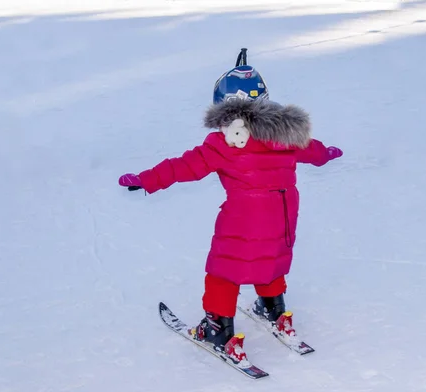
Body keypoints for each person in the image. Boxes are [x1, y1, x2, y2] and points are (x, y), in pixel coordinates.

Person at [119, 48, 343, 364]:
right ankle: (274, 310)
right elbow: (314, 150)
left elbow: (185, 166)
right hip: (283, 214)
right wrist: (327, 153)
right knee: (271, 257)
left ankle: (217, 330)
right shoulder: (287, 135)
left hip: (244, 218)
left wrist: (145, 179)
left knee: (224, 271)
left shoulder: (226, 143)